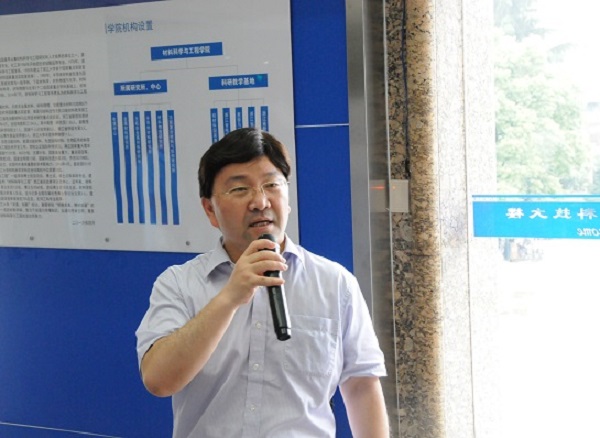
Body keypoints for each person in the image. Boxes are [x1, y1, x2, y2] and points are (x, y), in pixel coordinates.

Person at [135, 127, 389, 437]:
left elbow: (362, 386)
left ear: (288, 197)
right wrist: (229, 297)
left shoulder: (335, 283)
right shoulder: (179, 283)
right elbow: (159, 381)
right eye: (240, 189)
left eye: (271, 185)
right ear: (210, 209)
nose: (260, 201)